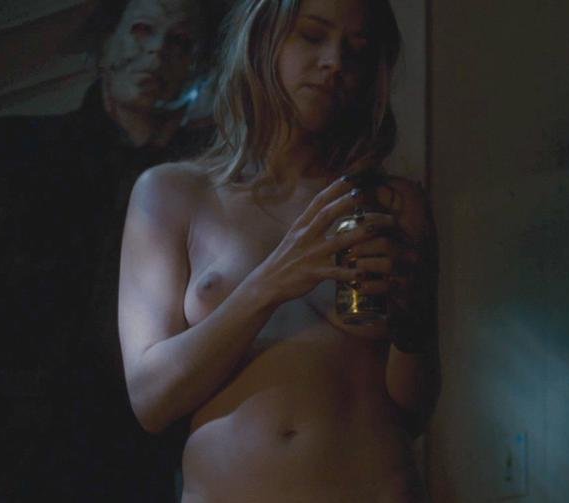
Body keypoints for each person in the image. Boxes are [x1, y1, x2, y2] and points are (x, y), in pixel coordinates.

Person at [117, 0, 440, 500]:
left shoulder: (391, 205)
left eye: (356, 50)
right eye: (312, 35)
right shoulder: (172, 194)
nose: (334, 62)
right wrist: (271, 282)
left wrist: (413, 329)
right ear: (261, 38)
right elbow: (150, 399)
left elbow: (412, 414)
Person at [0, 0, 225, 500]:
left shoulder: (211, 198)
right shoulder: (3, 154)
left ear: (201, 66)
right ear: (106, 44)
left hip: (121, 464)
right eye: (142, 30)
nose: (157, 52)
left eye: (181, 42)